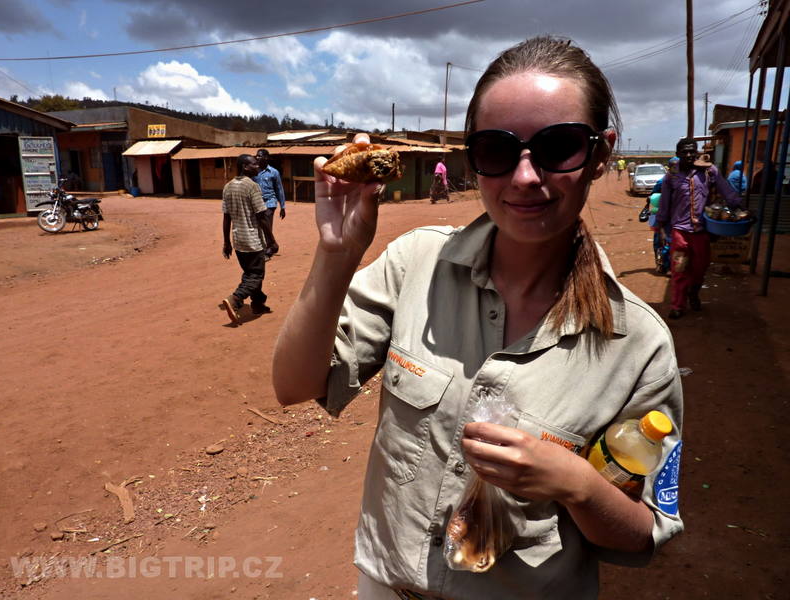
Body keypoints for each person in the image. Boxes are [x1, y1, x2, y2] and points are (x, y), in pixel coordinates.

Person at [273, 36, 683, 599]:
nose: (525, 177)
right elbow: (294, 385)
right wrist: (336, 254)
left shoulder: (638, 344)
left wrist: (578, 485)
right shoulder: (416, 263)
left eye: (559, 146)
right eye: (496, 150)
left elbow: (641, 537)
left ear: (600, 154)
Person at [655, 139, 741, 319]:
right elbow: (664, 204)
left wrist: (740, 208)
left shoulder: (709, 171)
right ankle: (678, 305)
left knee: (699, 269)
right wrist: (661, 228)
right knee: (679, 268)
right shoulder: (671, 176)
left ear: (696, 152)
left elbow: (726, 191)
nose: (688, 155)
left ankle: (693, 292)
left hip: (702, 232)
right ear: (677, 154)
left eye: (691, 151)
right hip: (679, 232)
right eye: (684, 152)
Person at [219, 154, 271, 325]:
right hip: (253, 240)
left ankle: (258, 303)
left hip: (238, 240)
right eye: (254, 164)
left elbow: (226, 217)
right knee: (256, 275)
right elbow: (262, 216)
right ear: (245, 167)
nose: (258, 166)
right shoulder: (252, 186)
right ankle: (235, 299)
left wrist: (227, 242)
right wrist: (272, 240)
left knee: (250, 273)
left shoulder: (228, 187)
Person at [252, 148, 286, 258]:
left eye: (259, 156)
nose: (257, 157)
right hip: (256, 203)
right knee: (257, 226)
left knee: (267, 225)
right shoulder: (254, 172)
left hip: (269, 203)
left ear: (266, 157)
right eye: (256, 156)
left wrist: (282, 207)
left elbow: (279, 189)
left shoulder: (274, 172)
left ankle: (268, 250)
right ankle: (270, 246)